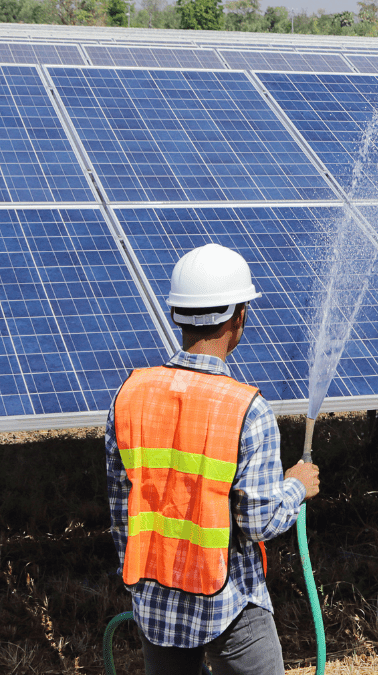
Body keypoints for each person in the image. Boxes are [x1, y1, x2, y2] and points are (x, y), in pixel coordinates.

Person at [105, 243, 320, 675]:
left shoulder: (128, 396)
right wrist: (296, 486)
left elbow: (120, 514)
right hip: (230, 605)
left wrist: (143, 588)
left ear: (174, 315)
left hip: (155, 602)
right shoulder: (247, 409)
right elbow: (258, 521)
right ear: (240, 317)